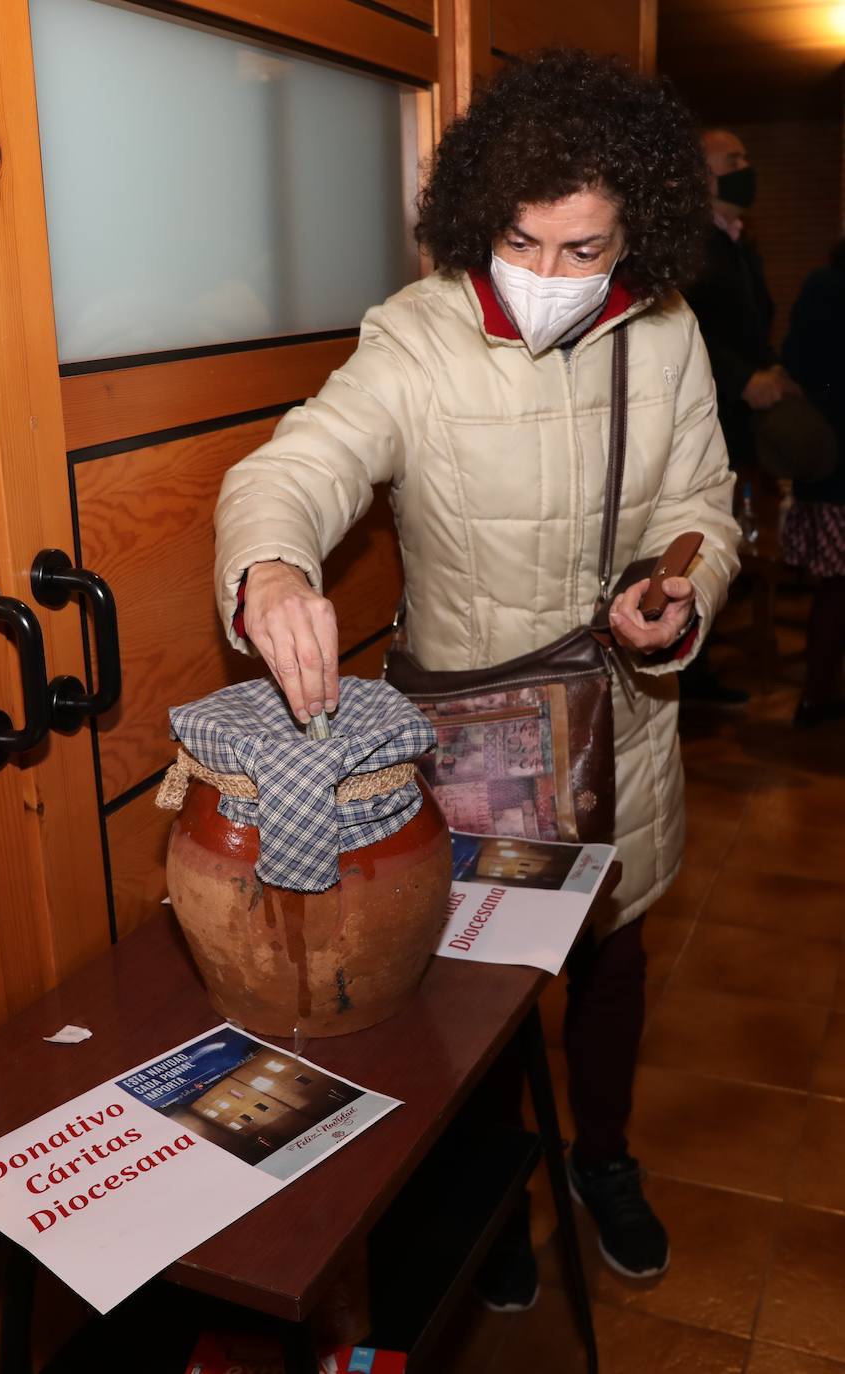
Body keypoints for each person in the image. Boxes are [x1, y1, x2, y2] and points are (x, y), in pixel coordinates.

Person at [214, 50, 740, 1303]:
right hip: (465, 739)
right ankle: (495, 1185)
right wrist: (273, 568)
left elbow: (703, 508)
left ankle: (602, 1159)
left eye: (585, 250)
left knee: (609, 957)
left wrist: (679, 597)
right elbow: (297, 465)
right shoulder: (413, 336)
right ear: (479, 212)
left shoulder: (664, 335)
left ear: (636, 235)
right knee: (475, 981)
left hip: (619, 720)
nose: (552, 276)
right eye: (525, 240)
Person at [680, 129, 795, 707]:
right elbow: (691, 329)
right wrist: (742, 377)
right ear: (703, 177)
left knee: (729, 534)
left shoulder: (741, 243)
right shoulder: (691, 245)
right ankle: (687, 677)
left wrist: (769, 366)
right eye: (734, 159)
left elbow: (753, 321)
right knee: (695, 534)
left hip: (741, 416)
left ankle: (702, 666)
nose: (746, 167)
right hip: (710, 411)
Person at [780, 240, 845, 727]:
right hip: (834, 463)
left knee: (834, 589)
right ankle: (816, 698)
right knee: (835, 590)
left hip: (830, 461)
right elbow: (804, 367)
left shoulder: (823, 285)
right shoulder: (827, 287)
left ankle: (819, 696)